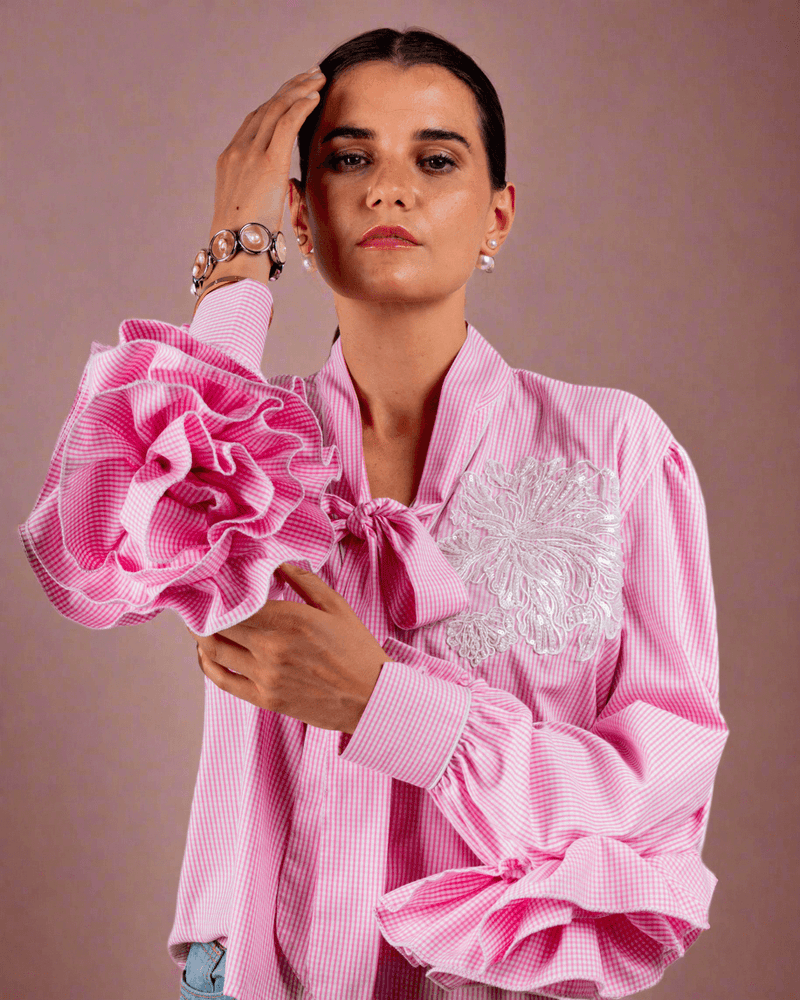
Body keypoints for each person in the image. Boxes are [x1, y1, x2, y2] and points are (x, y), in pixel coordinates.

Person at [19, 26, 729, 1000]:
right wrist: (235, 261)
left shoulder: (614, 450)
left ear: (497, 215)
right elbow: (91, 547)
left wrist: (387, 705)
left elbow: (655, 787)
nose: (389, 188)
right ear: (302, 220)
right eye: (348, 160)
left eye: (434, 159)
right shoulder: (233, 446)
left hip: (497, 975)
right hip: (252, 970)